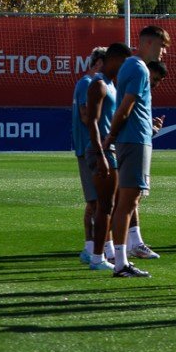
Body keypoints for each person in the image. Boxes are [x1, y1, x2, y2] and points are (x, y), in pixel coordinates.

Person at [104, 25, 169, 278]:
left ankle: (121, 259)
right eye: (162, 45)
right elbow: (126, 106)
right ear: (149, 43)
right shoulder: (139, 68)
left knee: (129, 201)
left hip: (134, 139)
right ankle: (120, 263)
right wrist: (112, 134)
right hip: (134, 140)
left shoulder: (133, 67)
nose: (163, 51)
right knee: (127, 202)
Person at [71, 48, 109, 269]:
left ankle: (90, 247)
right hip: (90, 148)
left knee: (93, 202)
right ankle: (97, 250)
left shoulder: (83, 83)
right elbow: (86, 116)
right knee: (97, 202)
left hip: (86, 146)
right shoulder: (88, 84)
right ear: (98, 63)